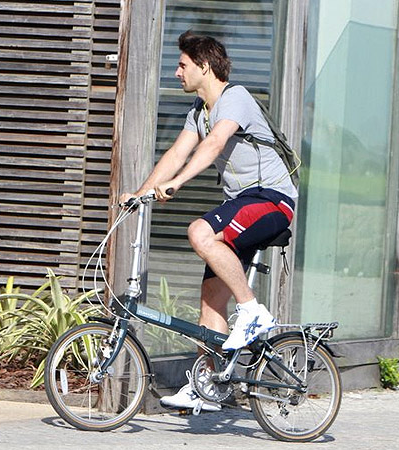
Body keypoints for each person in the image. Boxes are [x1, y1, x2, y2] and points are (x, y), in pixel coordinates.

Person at [120, 30, 298, 412]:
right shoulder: (197, 113)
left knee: (200, 231)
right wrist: (141, 193)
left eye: (182, 65)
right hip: (244, 204)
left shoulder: (236, 98)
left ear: (204, 66)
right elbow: (175, 153)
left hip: (272, 200)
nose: (176, 73)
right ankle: (209, 384)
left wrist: (178, 184)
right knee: (210, 307)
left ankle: (252, 311)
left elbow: (215, 144)